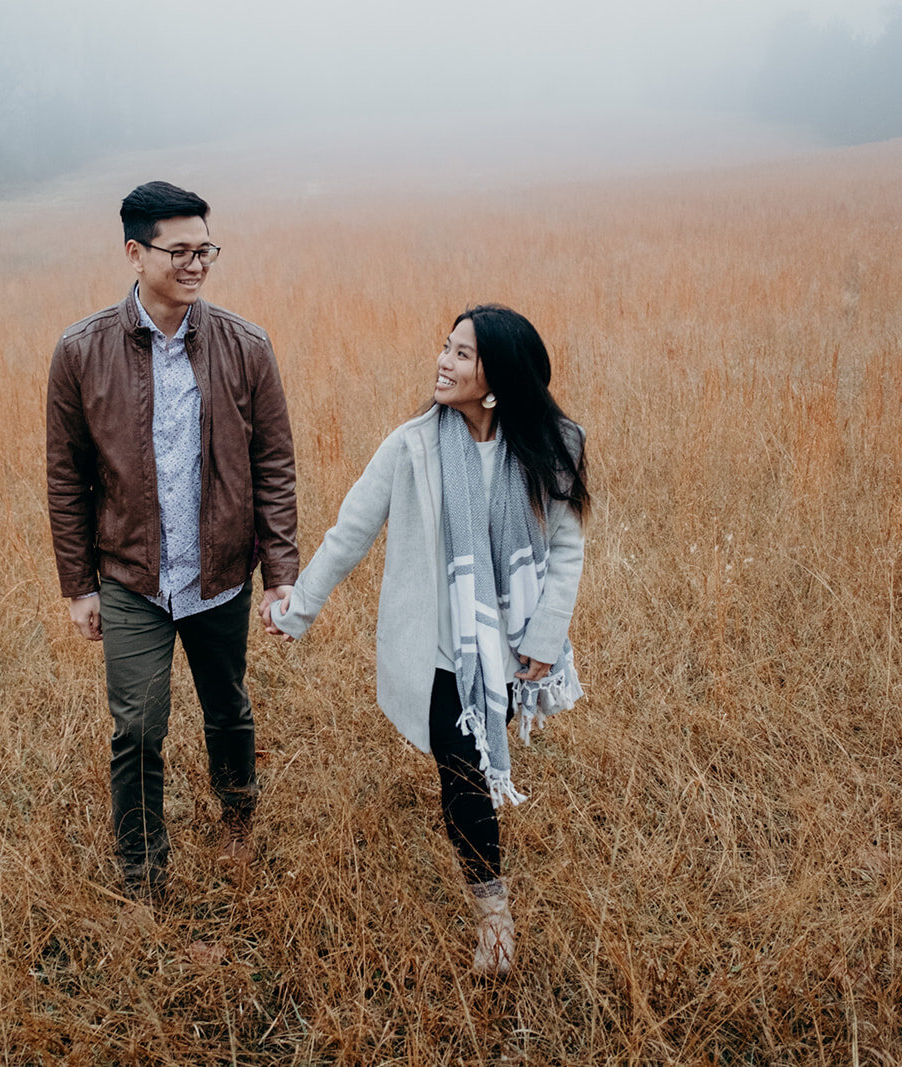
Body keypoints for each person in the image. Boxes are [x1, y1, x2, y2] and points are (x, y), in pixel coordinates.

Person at [263, 304, 589, 976]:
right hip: (441, 651)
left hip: (508, 646)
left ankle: (489, 891)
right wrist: (301, 608)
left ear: (497, 376)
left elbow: (565, 545)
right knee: (464, 773)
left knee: (472, 762)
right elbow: (351, 531)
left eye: (463, 354)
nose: (443, 361)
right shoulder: (411, 446)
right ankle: (494, 915)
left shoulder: (550, 443)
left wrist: (548, 633)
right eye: (445, 347)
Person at [46, 181, 298, 902]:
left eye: (205, 250)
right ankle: (143, 874)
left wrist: (280, 569)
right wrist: (78, 586)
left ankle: (239, 817)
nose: (196, 264)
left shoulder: (245, 347)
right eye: (179, 251)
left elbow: (273, 463)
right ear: (135, 253)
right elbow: (66, 479)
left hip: (219, 572)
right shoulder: (80, 352)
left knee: (228, 707)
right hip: (131, 579)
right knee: (137, 728)